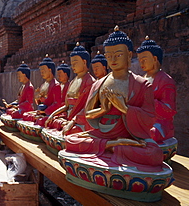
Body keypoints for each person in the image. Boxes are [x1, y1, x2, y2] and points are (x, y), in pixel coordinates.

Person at [63, 26, 164, 172]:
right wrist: (104, 109)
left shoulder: (142, 84)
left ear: (129, 55)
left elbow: (149, 118)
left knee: (155, 155)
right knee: (70, 140)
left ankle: (113, 147)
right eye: (109, 56)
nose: (113, 59)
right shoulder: (99, 83)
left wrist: (125, 109)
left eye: (118, 55)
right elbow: (88, 114)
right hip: (101, 132)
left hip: (129, 134)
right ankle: (112, 145)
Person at [45, 43, 95, 132]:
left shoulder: (90, 82)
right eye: (72, 64)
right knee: (51, 122)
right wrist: (53, 115)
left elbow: (88, 109)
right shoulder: (73, 82)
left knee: (71, 131)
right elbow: (67, 106)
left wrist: (72, 122)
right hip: (69, 116)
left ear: (84, 62)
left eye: (75, 63)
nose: (73, 66)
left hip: (81, 119)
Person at [136, 36, 177, 144]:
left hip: (160, 123)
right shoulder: (141, 79)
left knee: (150, 134)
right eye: (140, 60)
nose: (141, 63)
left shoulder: (166, 80)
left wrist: (150, 101)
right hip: (143, 120)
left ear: (154, 59)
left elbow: (170, 109)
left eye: (144, 60)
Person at [22, 55, 62, 126]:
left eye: (43, 71)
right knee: (25, 115)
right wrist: (37, 98)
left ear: (50, 70)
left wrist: (45, 111)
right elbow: (39, 103)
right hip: (41, 112)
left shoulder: (56, 85)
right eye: (41, 71)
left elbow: (57, 104)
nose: (41, 73)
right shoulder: (43, 85)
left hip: (49, 113)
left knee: (41, 121)